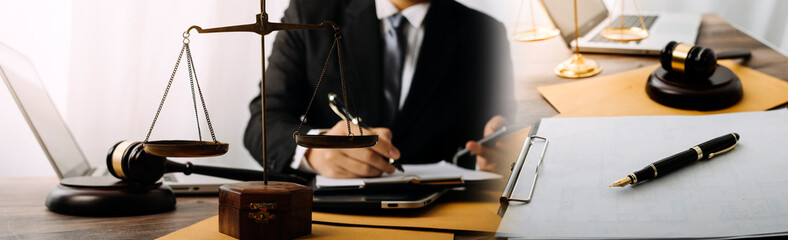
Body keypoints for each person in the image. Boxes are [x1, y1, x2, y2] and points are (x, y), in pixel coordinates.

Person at [244, 0, 513, 178]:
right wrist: (314, 151)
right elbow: (263, 122)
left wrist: (500, 155)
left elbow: (499, 132)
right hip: (334, 216)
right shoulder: (309, 13)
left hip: (446, 216)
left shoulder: (485, 32)